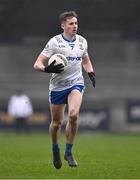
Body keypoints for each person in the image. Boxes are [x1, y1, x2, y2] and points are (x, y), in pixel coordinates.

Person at [33, 11, 95, 169]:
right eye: (71, 24)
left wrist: (90, 72)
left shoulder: (82, 41)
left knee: (73, 115)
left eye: (76, 23)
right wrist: (46, 69)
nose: (74, 26)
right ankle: (55, 149)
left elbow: (85, 60)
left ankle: (69, 151)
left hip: (76, 83)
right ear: (63, 25)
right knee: (56, 123)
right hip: (57, 86)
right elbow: (37, 63)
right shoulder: (54, 42)